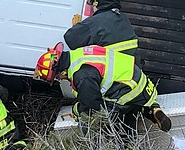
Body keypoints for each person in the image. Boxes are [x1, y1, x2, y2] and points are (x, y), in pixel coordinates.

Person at [33, 40, 171, 132]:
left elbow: (91, 104)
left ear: (61, 71)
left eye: (57, 77)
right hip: (141, 82)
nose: (59, 79)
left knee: (89, 119)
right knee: (131, 102)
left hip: (127, 92)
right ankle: (151, 109)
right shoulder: (80, 53)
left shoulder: (82, 75)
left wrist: (76, 110)